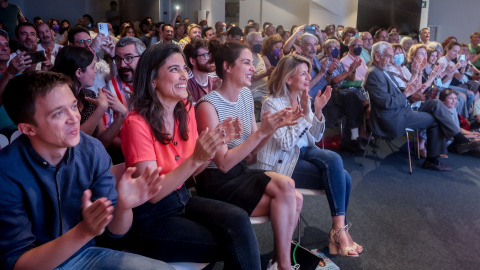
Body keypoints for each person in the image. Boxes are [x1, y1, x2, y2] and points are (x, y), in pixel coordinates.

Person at [0, 71, 173, 270]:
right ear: (28, 129)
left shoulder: (92, 149)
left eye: (73, 106)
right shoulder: (6, 171)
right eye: (58, 113)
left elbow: (115, 233)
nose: (74, 118)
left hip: (85, 254)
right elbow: (18, 264)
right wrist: (84, 231)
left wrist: (124, 206)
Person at [120, 42, 261, 269]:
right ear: (152, 79)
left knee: (238, 219)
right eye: (174, 69)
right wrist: (198, 156)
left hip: (181, 199)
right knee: (228, 241)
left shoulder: (183, 109)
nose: (184, 75)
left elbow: (194, 171)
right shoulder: (136, 123)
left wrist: (214, 145)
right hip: (151, 218)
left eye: (184, 68)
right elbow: (152, 195)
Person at [195, 42, 303, 270]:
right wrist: (263, 132)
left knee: (295, 195)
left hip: (241, 171)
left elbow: (253, 151)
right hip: (217, 182)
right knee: (292, 195)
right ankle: (283, 264)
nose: (253, 68)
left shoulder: (245, 94)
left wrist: (272, 128)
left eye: (252, 63)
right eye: (247, 63)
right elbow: (222, 163)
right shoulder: (207, 105)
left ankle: (279, 262)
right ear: (227, 67)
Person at [259, 54, 363, 257]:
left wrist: (317, 112)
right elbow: (286, 144)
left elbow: (315, 136)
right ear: (288, 78)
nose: (309, 77)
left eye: (308, 72)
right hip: (282, 161)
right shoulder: (272, 104)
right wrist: (305, 115)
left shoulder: (302, 98)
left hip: (304, 152)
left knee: (342, 172)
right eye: (304, 73)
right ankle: (339, 233)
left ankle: (338, 231)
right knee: (341, 172)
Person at [364, 41, 480, 171]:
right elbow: (386, 103)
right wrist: (408, 93)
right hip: (392, 117)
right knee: (436, 120)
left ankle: (459, 139)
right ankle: (434, 158)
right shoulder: (374, 73)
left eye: (392, 56)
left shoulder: (382, 70)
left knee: (435, 104)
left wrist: (413, 83)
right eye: (389, 56)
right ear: (377, 57)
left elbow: (398, 92)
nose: (392, 60)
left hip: (402, 109)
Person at [183, 38, 219, 102]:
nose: (210, 59)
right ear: (192, 61)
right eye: (205, 55)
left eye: (210, 54)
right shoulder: (186, 83)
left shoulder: (216, 79)